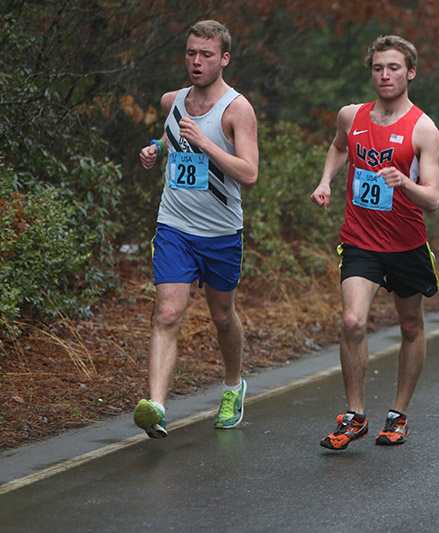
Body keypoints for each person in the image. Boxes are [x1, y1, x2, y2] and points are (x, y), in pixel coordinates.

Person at [310, 35, 439, 450]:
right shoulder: (352, 116)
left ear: (410, 72)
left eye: (394, 68)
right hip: (360, 240)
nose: (385, 76)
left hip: (406, 244)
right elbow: (337, 148)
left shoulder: (423, 128)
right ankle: (355, 415)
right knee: (352, 321)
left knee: (409, 325)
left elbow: (433, 199)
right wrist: (325, 181)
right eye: (378, 68)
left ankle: (398, 414)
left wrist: (404, 183)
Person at [135, 20, 259, 438]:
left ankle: (232, 386)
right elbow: (176, 138)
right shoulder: (174, 100)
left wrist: (206, 144)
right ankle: (156, 405)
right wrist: (157, 146)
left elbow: (250, 172)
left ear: (223, 59)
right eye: (191, 53)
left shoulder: (237, 109)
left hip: (221, 232)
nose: (196, 61)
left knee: (223, 315)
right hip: (174, 225)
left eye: (206, 55)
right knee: (168, 313)